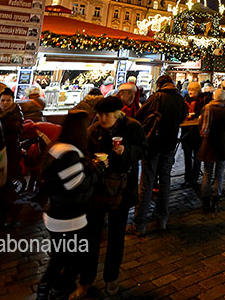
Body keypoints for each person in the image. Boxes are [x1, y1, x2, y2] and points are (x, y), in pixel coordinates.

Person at [77, 96, 147, 298]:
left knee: (116, 237)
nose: (101, 119)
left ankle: (111, 277)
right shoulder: (94, 130)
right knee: (91, 236)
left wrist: (126, 150)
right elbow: (84, 154)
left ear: (117, 114)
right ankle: (86, 280)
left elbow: (144, 150)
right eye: (99, 115)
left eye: (105, 115)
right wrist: (92, 162)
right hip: (97, 189)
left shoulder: (133, 127)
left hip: (121, 189)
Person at [37, 111, 101, 300]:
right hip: (68, 219)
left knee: (59, 258)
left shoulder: (57, 147)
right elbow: (77, 186)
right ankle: (58, 292)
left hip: (56, 215)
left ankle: (44, 291)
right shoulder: (69, 153)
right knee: (73, 260)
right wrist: (98, 170)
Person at [131, 75, 187, 235]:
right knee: (165, 181)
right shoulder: (179, 99)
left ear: (160, 85)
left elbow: (139, 116)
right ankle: (162, 219)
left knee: (147, 182)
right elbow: (183, 117)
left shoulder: (157, 98)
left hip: (153, 145)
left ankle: (139, 224)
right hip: (170, 144)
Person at [0, 88, 24, 228]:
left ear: (13, 102)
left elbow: (12, 134)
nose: (5, 103)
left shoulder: (16, 115)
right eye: (3, 100)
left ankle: (6, 218)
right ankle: (11, 215)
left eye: (8, 100)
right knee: (3, 186)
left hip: (10, 153)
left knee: (4, 185)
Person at [199, 88, 225, 212]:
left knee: (207, 172)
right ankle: (215, 199)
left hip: (208, 142)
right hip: (222, 142)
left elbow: (201, 125)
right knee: (219, 173)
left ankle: (205, 200)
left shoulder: (207, 108)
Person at [181, 81, 204, 188]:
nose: (190, 92)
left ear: (198, 91)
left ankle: (194, 178)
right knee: (187, 157)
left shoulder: (202, 101)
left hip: (197, 133)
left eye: (193, 90)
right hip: (186, 133)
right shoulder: (185, 101)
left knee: (197, 157)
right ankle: (187, 178)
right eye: (189, 89)